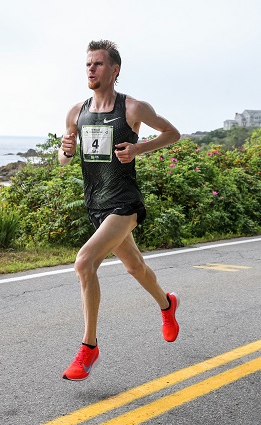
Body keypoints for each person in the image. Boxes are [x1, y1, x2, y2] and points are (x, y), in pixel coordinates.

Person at [59, 40, 181, 381]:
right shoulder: (76, 113)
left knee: (84, 262)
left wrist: (139, 148)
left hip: (125, 204)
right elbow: (63, 157)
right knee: (135, 267)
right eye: (88, 64)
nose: (91, 69)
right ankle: (168, 304)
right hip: (95, 206)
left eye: (98, 64)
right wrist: (65, 150)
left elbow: (173, 133)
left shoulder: (133, 109)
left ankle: (89, 347)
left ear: (114, 71)